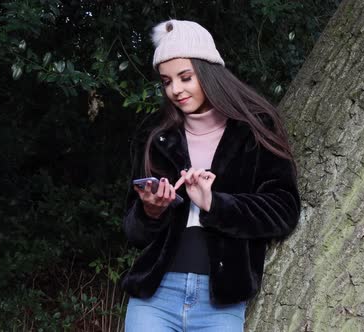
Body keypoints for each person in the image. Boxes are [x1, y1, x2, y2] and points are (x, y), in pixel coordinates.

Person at [121, 19, 301, 331]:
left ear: (208, 71)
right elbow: (133, 231)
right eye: (166, 81)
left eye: (185, 77)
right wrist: (152, 210)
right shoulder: (155, 135)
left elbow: (283, 210)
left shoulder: (253, 130)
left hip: (221, 302)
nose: (175, 90)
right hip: (154, 297)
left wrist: (214, 203)